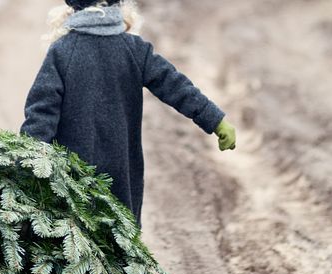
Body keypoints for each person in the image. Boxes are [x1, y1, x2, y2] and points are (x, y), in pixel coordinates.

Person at [20, 0, 236, 226]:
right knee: (121, 240)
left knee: (72, 238)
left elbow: (41, 112)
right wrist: (216, 120)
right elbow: (176, 86)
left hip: (70, 174)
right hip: (121, 173)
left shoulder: (62, 51)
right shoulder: (134, 49)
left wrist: (27, 160)